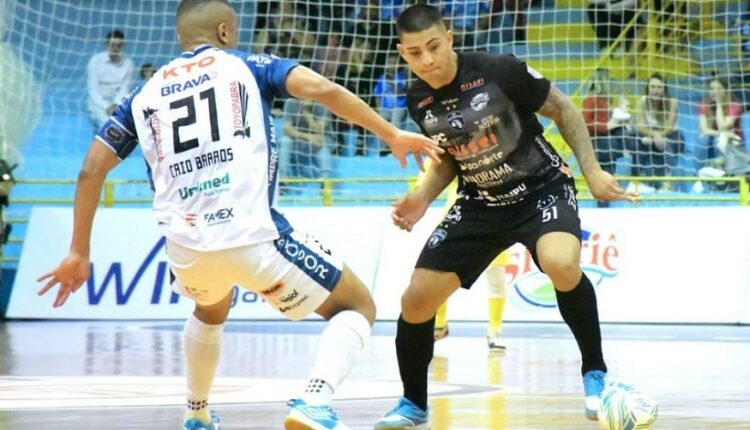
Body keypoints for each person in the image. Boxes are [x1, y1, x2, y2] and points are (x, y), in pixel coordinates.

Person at [35, 2, 442, 430]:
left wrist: (78, 251)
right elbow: (322, 88)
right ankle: (315, 401)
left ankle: (197, 413)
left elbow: (91, 169)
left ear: (181, 38)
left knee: (210, 309)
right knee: (358, 306)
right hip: (254, 238)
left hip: (187, 252)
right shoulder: (247, 65)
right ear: (226, 31)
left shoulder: (145, 93)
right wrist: (392, 133)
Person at [373, 5, 636, 429]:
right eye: (415, 53)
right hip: (480, 202)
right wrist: (422, 197)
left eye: (434, 47)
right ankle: (413, 405)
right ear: (403, 53)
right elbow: (448, 159)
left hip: (540, 189)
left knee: (561, 262)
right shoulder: (417, 99)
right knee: (415, 300)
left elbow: (564, 110)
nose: (428, 61)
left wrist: (592, 169)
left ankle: (596, 374)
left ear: (450, 38)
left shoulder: (500, 70)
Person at [582, 68, 639, 204]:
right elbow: (586, 122)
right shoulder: (591, 99)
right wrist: (606, 126)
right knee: (608, 147)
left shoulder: (606, 100)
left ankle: (635, 180)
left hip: (609, 138)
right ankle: (604, 196)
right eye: (608, 80)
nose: (610, 82)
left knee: (634, 140)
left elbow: (612, 120)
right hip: (597, 140)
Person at [633, 73, 685, 190]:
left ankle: (670, 182)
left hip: (671, 134)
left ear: (664, 89)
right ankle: (636, 179)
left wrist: (659, 136)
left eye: (659, 87)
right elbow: (641, 127)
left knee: (670, 144)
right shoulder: (641, 102)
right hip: (650, 134)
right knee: (638, 144)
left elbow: (670, 127)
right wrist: (655, 135)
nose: (656, 90)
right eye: (653, 87)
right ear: (648, 88)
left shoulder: (672, 102)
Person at [86, 29, 134, 131]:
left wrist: (115, 105)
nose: (116, 48)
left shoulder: (128, 63)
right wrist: (106, 106)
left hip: (118, 104)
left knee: (125, 127)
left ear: (123, 46)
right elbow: (93, 90)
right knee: (108, 126)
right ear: (107, 45)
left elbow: (125, 89)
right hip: (97, 104)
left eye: (119, 45)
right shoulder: (95, 61)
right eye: (113, 45)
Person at [281, 98, 334, 179]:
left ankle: (325, 180)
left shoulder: (323, 103)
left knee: (320, 142)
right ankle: (282, 178)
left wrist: (306, 111)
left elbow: (319, 130)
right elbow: (287, 130)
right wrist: (308, 137)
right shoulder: (291, 102)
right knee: (285, 141)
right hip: (301, 139)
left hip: (323, 138)